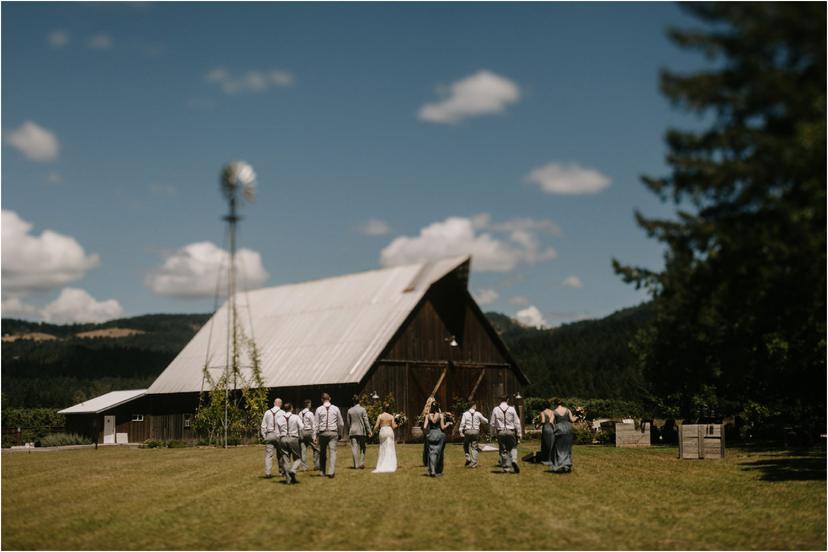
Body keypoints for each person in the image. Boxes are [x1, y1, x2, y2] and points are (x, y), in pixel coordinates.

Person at [314, 392, 344, 478]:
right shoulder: (336, 408)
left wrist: (315, 436)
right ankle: (331, 472)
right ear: (330, 398)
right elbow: (341, 423)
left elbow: (316, 424)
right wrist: (340, 433)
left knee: (322, 453)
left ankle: (322, 472)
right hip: (333, 432)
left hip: (322, 433)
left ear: (321, 400)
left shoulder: (319, 409)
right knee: (332, 452)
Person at [490, 395, 522, 473]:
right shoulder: (512, 409)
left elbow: (492, 423)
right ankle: (514, 460)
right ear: (507, 400)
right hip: (511, 431)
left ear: (500, 400)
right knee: (513, 447)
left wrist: (492, 434)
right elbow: (517, 422)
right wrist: (519, 434)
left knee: (503, 449)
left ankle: (506, 468)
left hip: (500, 432)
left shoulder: (496, 409)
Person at [278, 403, 303, 484]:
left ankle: (288, 478)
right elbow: (302, 426)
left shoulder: (279, 418)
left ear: (284, 409)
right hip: (293, 438)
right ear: (291, 408)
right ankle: (293, 470)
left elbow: (277, 430)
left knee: (285, 460)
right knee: (298, 458)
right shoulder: (296, 417)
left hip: (283, 438)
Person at [550, 398, 577, 473]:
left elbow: (550, 422)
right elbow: (572, 420)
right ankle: (567, 464)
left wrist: (554, 428)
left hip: (559, 429)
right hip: (568, 428)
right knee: (567, 447)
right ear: (562, 403)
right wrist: (577, 417)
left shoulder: (554, 411)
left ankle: (561, 464)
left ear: (555, 404)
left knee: (559, 448)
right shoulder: (567, 410)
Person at [458, 402, 488, 468]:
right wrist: (480, 421)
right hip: (475, 431)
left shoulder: (465, 414)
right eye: (475, 405)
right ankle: (474, 462)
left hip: (467, 431)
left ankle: (468, 458)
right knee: (474, 447)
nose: (476, 406)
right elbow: (485, 421)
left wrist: (460, 431)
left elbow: (462, 423)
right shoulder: (478, 413)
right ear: (473, 406)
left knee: (466, 446)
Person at [423, 401, 449, 477]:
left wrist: (427, 434)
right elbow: (442, 427)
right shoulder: (440, 415)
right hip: (439, 434)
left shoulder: (428, 416)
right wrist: (447, 424)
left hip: (431, 434)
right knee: (439, 453)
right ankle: (438, 470)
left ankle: (432, 470)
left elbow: (424, 427)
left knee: (431, 453)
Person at [347, 395, 372, 469]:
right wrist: (369, 431)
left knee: (354, 448)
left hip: (352, 431)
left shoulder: (349, 410)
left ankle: (355, 465)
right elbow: (366, 421)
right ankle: (361, 463)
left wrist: (349, 430)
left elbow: (348, 423)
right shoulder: (362, 409)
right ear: (359, 401)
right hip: (361, 431)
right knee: (362, 447)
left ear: (353, 401)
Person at [260, 398, 283, 479]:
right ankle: (281, 471)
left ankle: (268, 473)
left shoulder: (267, 412)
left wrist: (264, 436)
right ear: (280, 404)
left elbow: (263, 426)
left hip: (269, 435)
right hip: (278, 435)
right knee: (280, 454)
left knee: (268, 455)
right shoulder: (282, 413)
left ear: (274, 403)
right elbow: (284, 426)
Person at [372, 403, 398, 473]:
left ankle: (382, 462)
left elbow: (377, 426)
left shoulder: (380, 416)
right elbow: (393, 426)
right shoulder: (391, 416)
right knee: (390, 447)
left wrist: (373, 432)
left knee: (383, 447)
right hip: (389, 431)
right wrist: (398, 424)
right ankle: (390, 463)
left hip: (383, 431)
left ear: (382, 408)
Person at [298, 399, 319, 471]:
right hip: (309, 432)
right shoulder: (310, 413)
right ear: (309, 404)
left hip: (302, 432)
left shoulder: (300, 413)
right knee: (316, 448)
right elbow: (313, 425)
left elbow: (299, 424)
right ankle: (317, 465)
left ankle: (304, 467)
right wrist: (314, 436)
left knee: (303, 450)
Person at [537, 400, 556, 466]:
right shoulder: (553, 412)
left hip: (546, 429)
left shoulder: (543, 412)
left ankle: (546, 460)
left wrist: (538, 425)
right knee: (551, 444)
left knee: (545, 444)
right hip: (552, 429)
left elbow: (543, 421)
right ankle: (552, 459)